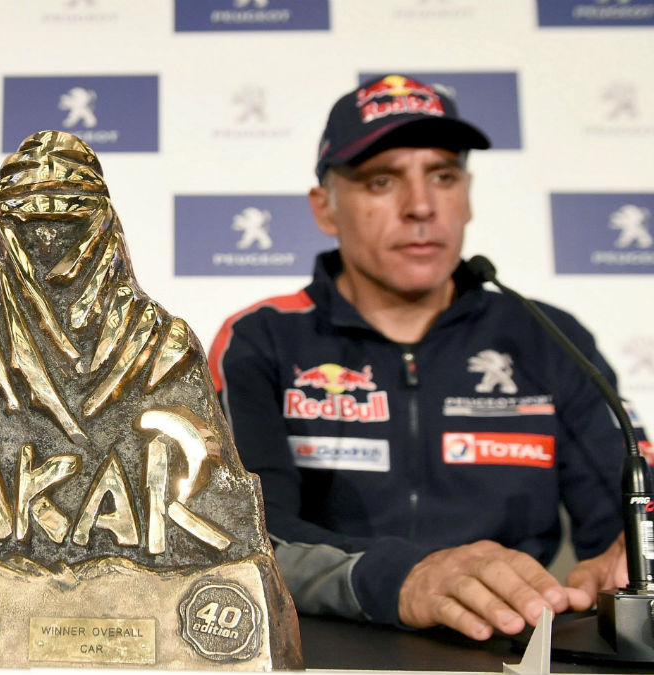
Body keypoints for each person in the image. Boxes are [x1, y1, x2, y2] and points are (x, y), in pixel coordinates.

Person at [208, 75, 640, 641]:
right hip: (322, 649)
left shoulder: (546, 336)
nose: (420, 207)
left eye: (443, 175)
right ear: (326, 208)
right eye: (381, 180)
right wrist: (405, 578)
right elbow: (244, 537)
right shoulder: (259, 339)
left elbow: (629, 506)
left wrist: (630, 552)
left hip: (512, 645)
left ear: (467, 194)